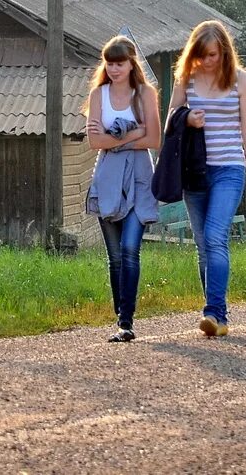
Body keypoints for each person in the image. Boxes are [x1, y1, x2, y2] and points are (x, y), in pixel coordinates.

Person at [168, 20, 246, 337]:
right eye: (202, 55)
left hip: (229, 169)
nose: (208, 61)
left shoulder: (243, 81)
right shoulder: (186, 79)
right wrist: (188, 118)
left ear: (224, 52)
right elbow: (171, 118)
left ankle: (215, 313)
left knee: (214, 237)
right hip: (194, 171)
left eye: (214, 55)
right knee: (202, 246)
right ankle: (215, 314)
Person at [84, 35, 161, 343]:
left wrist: (115, 137)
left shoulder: (145, 94)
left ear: (132, 64)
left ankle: (127, 320)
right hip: (108, 176)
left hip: (140, 176)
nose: (114, 69)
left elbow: (154, 138)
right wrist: (133, 132)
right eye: (110, 64)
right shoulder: (97, 96)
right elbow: (95, 142)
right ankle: (120, 316)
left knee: (130, 249)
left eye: (120, 63)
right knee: (115, 255)